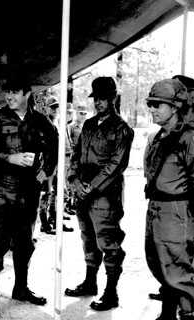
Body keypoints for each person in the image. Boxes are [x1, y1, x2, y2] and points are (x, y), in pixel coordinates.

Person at [0, 73, 58, 318]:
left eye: (14, 92)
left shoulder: (41, 121)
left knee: (24, 243)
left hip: (29, 191)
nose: (9, 96)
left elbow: (54, 147)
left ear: (26, 94)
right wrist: (8, 158)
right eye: (7, 92)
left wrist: (46, 171)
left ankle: (21, 288)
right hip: (1, 190)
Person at [64, 76, 134, 312]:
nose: (99, 103)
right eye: (96, 99)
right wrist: (73, 179)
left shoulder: (122, 129)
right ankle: (89, 282)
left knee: (109, 243)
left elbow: (115, 165)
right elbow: (76, 154)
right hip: (84, 192)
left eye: (104, 98)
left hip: (105, 195)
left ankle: (111, 292)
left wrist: (91, 186)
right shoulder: (89, 124)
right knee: (88, 239)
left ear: (113, 98)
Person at [144, 78, 194, 320]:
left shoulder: (189, 138)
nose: (152, 109)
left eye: (158, 104)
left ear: (175, 107)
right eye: (151, 104)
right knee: (157, 262)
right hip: (156, 207)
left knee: (178, 269)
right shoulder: (160, 136)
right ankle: (168, 313)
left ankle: (189, 312)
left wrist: (191, 215)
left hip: (176, 209)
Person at [39, 96, 73, 234]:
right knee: (47, 193)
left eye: (57, 107)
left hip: (58, 163)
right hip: (47, 164)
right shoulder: (44, 124)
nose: (55, 109)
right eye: (52, 107)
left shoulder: (57, 123)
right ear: (46, 108)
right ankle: (44, 223)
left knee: (60, 192)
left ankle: (55, 220)